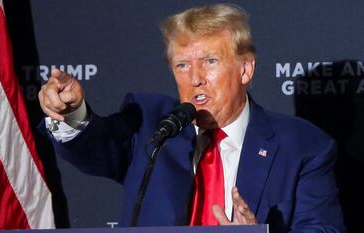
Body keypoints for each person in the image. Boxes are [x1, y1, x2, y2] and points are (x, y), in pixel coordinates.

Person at [38, 3, 344, 232]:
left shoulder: (302, 146)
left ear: (245, 70)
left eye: (210, 61)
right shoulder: (151, 124)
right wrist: (71, 113)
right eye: (182, 65)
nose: (195, 78)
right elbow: (97, 146)